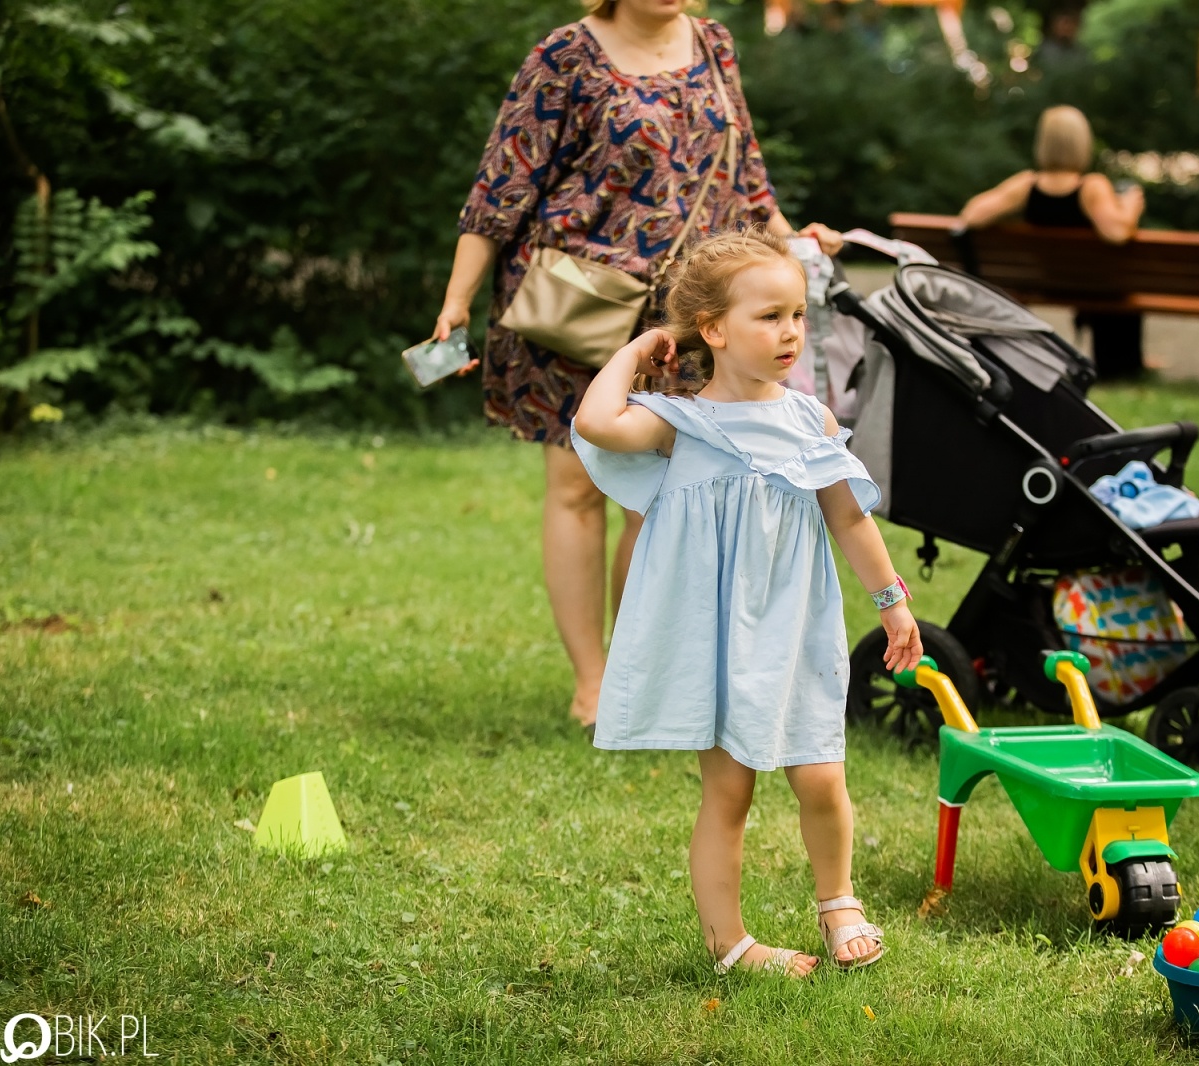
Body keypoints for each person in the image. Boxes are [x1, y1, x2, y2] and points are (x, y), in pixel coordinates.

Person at [434, 0, 842, 730]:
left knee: (659, 494)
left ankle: (638, 664)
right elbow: (502, 183)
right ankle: (592, 681)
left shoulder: (713, 43)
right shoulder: (566, 55)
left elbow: (744, 171)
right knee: (576, 484)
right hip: (579, 303)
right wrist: (458, 297)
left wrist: (790, 239)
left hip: (693, 315)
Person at [570, 229, 924, 975]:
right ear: (715, 330)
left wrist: (892, 602)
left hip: (795, 631)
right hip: (720, 641)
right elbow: (596, 424)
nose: (791, 331)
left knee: (823, 776)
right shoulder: (681, 424)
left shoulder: (809, 422)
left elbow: (849, 519)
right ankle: (731, 944)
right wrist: (639, 350)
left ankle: (838, 901)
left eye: (797, 314)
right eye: (769, 317)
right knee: (728, 793)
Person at [955, 106, 1147, 379]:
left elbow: (971, 215)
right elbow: (1116, 234)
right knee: (1121, 289)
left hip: (1045, 279)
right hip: (1093, 284)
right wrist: (1130, 206)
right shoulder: (1091, 187)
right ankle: (1121, 368)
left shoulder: (1026, 185)